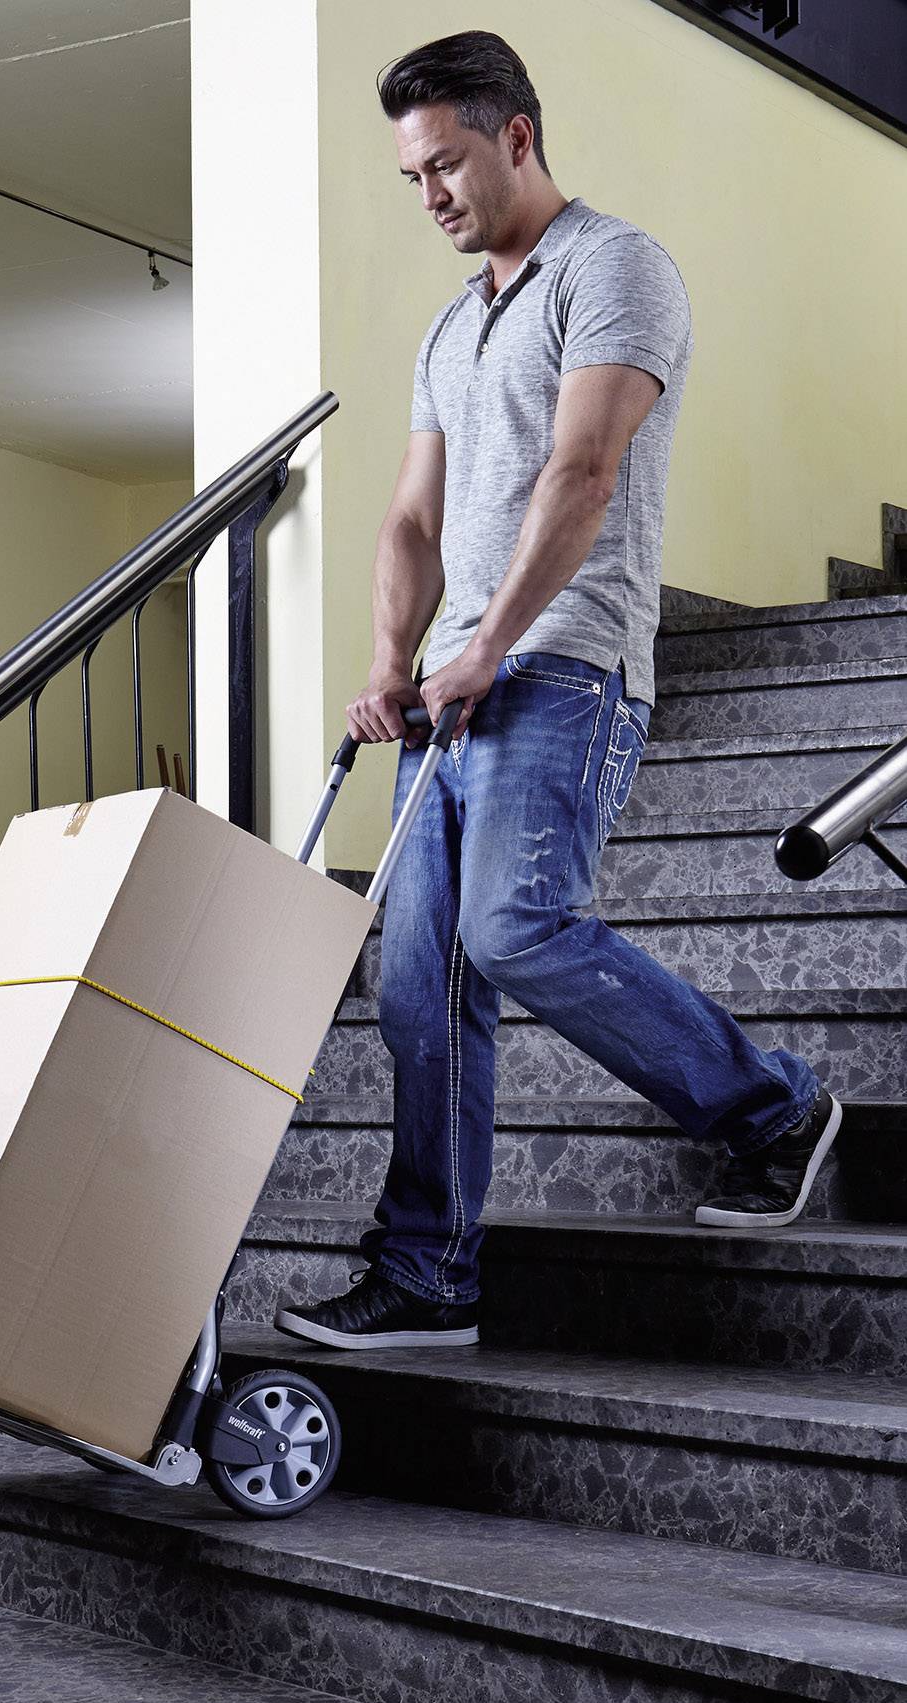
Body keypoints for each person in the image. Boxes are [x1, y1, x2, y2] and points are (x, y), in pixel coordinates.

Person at [275, 29, 841, 1353]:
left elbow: (583, 473)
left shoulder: (613, 268)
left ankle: (773, 1108)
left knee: (514, 928)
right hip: (452, 694)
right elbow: (410, 520)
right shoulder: (449, 325)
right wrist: (391, 662)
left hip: (569, 669)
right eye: (412, 176)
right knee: (415, 988)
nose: (428, 195)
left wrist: (491, 644)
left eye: (445, 164)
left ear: (516, 135)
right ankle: (428, 1273)